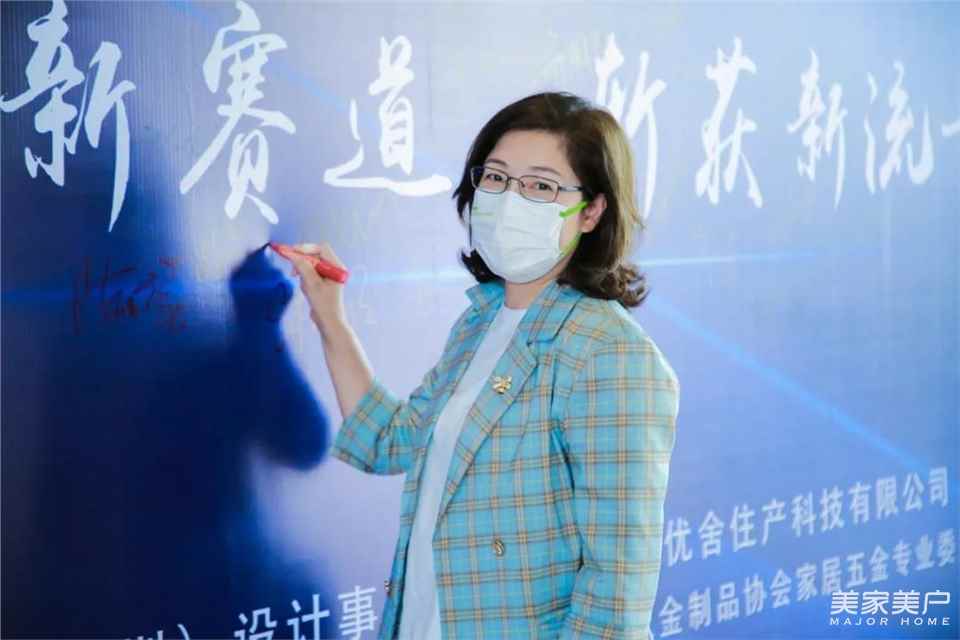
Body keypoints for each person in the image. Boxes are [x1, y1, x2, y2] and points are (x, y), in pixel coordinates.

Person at [287, 91, 680, 640]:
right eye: (495, 177)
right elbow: (391, 439)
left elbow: (616, 597)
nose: (510, 199)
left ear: (592, 211)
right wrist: (329, 316)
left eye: (541, 186)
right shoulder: (481, 321)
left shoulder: (608, 353)